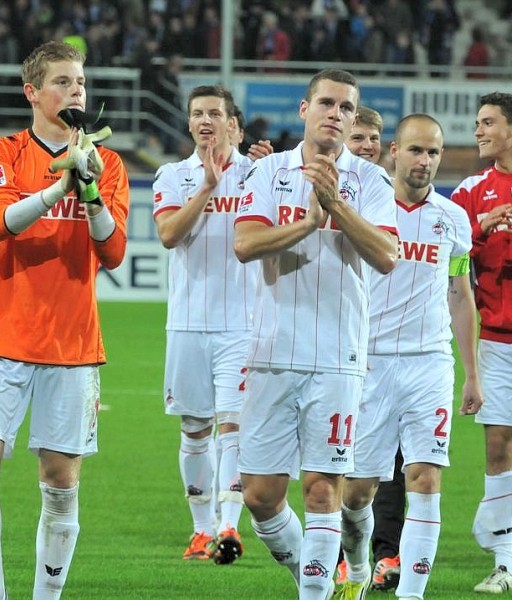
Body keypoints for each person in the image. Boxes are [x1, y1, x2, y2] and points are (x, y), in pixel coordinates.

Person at [0, 40, 130, 600]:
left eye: (79, 82)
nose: (75, 90)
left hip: (72, 344)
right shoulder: (2, 151)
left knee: (60, 485)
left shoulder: (111, 165)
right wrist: (61, 183)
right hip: (0, 336)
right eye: (62, 81)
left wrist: (91, 192)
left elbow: (114, 252)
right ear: (32, 92)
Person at [233, 68, 399, 599]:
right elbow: (245, 244)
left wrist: (335, 207)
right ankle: (320, 577)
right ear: (304, 110)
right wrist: (306, 224)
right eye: (326, 103)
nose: (336, 113)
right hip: (271, 350)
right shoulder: (268, 173)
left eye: (346, 107)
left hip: (337, 355)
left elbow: (387, 255)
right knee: (259, 495)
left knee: (323, 488)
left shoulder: (370, 182)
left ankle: (316, 593)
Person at [336, 113, 482, 600]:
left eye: (434, 153)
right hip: (369, 363)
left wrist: (471, 375)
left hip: (429, 364)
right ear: (394, 151)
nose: (425, 162)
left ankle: (411, 594)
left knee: (424, 474)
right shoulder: (369, 211)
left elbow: (460, 296)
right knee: (357, 492)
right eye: (416, 150)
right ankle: (356, 564)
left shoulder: (453, 220)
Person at [152, 85, 265, 565]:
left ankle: (227, 527)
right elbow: (169, 234)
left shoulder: (259, 174)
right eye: (197, 113)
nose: (204, 121)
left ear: (231, 123)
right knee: (195, 429)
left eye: (214, 113)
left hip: (243, 324)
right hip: (188, 324)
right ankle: (199, 531)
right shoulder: (173, 176)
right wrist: (207, 187)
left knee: (233, 425)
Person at [451, 92, 512, 595]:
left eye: (488, 122)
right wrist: (479, 227)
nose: (478, 131)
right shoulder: (473, 190)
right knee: (498, 445)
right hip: (495, 340)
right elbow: (441, 249)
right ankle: (506, 560)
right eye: (477, 123)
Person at [343, 105, 405, 592]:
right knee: (350, 463)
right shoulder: (338, 190)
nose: (366, 145)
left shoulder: (395, 195)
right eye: (357, 136)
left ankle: (387, 553)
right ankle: (348, 554)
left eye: (372, 138)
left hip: (401, 354)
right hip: (352, 345)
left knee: (397, 463)